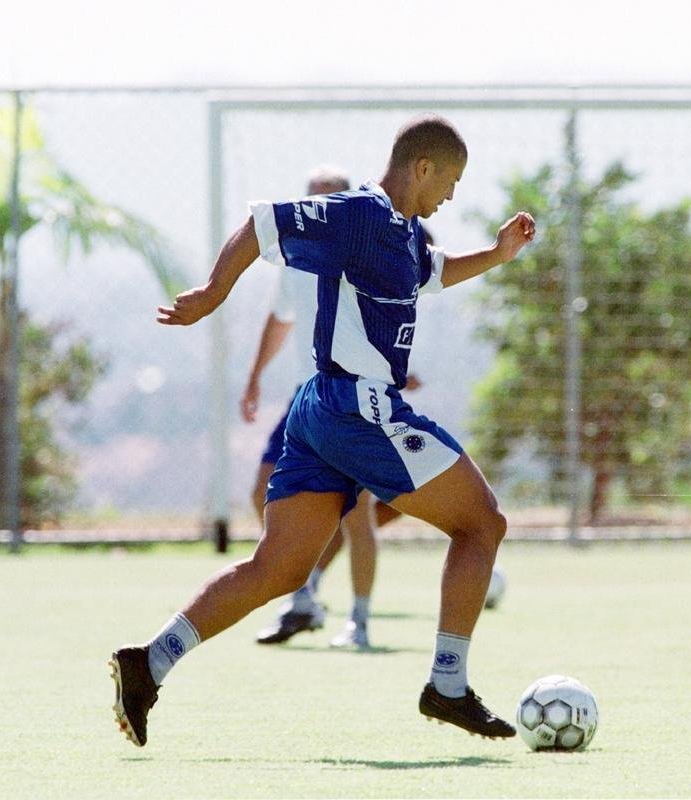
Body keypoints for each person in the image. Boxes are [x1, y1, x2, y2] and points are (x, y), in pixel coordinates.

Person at [110, 114, 536, 748]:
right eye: (450, 180)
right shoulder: (358, 213)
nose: (452, 195)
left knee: (279, 570)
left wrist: (498, 256)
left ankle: (150, 662)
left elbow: (435, 270)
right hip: (356, 409)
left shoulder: (405, 231)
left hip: (319, 411)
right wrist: (212, 292)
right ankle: (447, 686)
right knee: (483, 524)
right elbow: (263, 224)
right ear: (422, 168)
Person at [240, 166, 411, 650]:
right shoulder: (296, 259)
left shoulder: (367, 257)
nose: (318, 206)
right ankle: (303, 596)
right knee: (263, 492)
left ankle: (358, 620)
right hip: (303, 397)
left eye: (329, 197)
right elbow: (279, 320)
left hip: (351, 396)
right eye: (311, 196)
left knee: (357, 515)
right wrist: (254, 377)